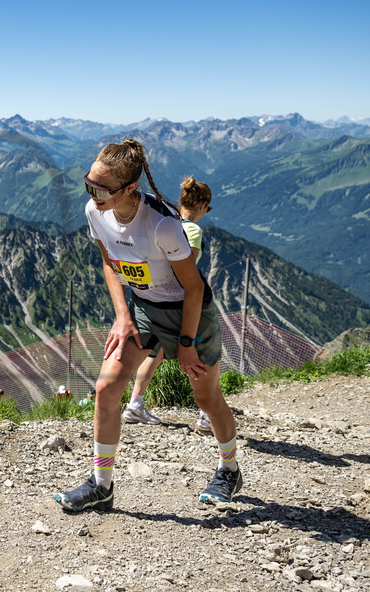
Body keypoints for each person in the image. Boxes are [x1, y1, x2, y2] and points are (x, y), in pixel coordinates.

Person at [55, 139, 243, 512]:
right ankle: (101, 484)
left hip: (188, 312)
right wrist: (123, 315)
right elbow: (109, 261)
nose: (93, 195)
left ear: (129, 189)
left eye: (102, 189)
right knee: (107, 387)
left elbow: (193, 287)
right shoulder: (96, 212)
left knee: (206, 399)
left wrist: (187, 342)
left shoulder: (163, 227)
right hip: (143, 309)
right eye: (88, 184)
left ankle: (229, 469)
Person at [121, 176, 213, 432]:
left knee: (156, 353)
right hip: (181, 304)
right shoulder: (192, 230)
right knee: (200, 352)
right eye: (208, 208)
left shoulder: (167, 220)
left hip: (153, 300)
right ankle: (207, 414)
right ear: (203, 204)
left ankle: (134, 405)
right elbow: (185, 268)